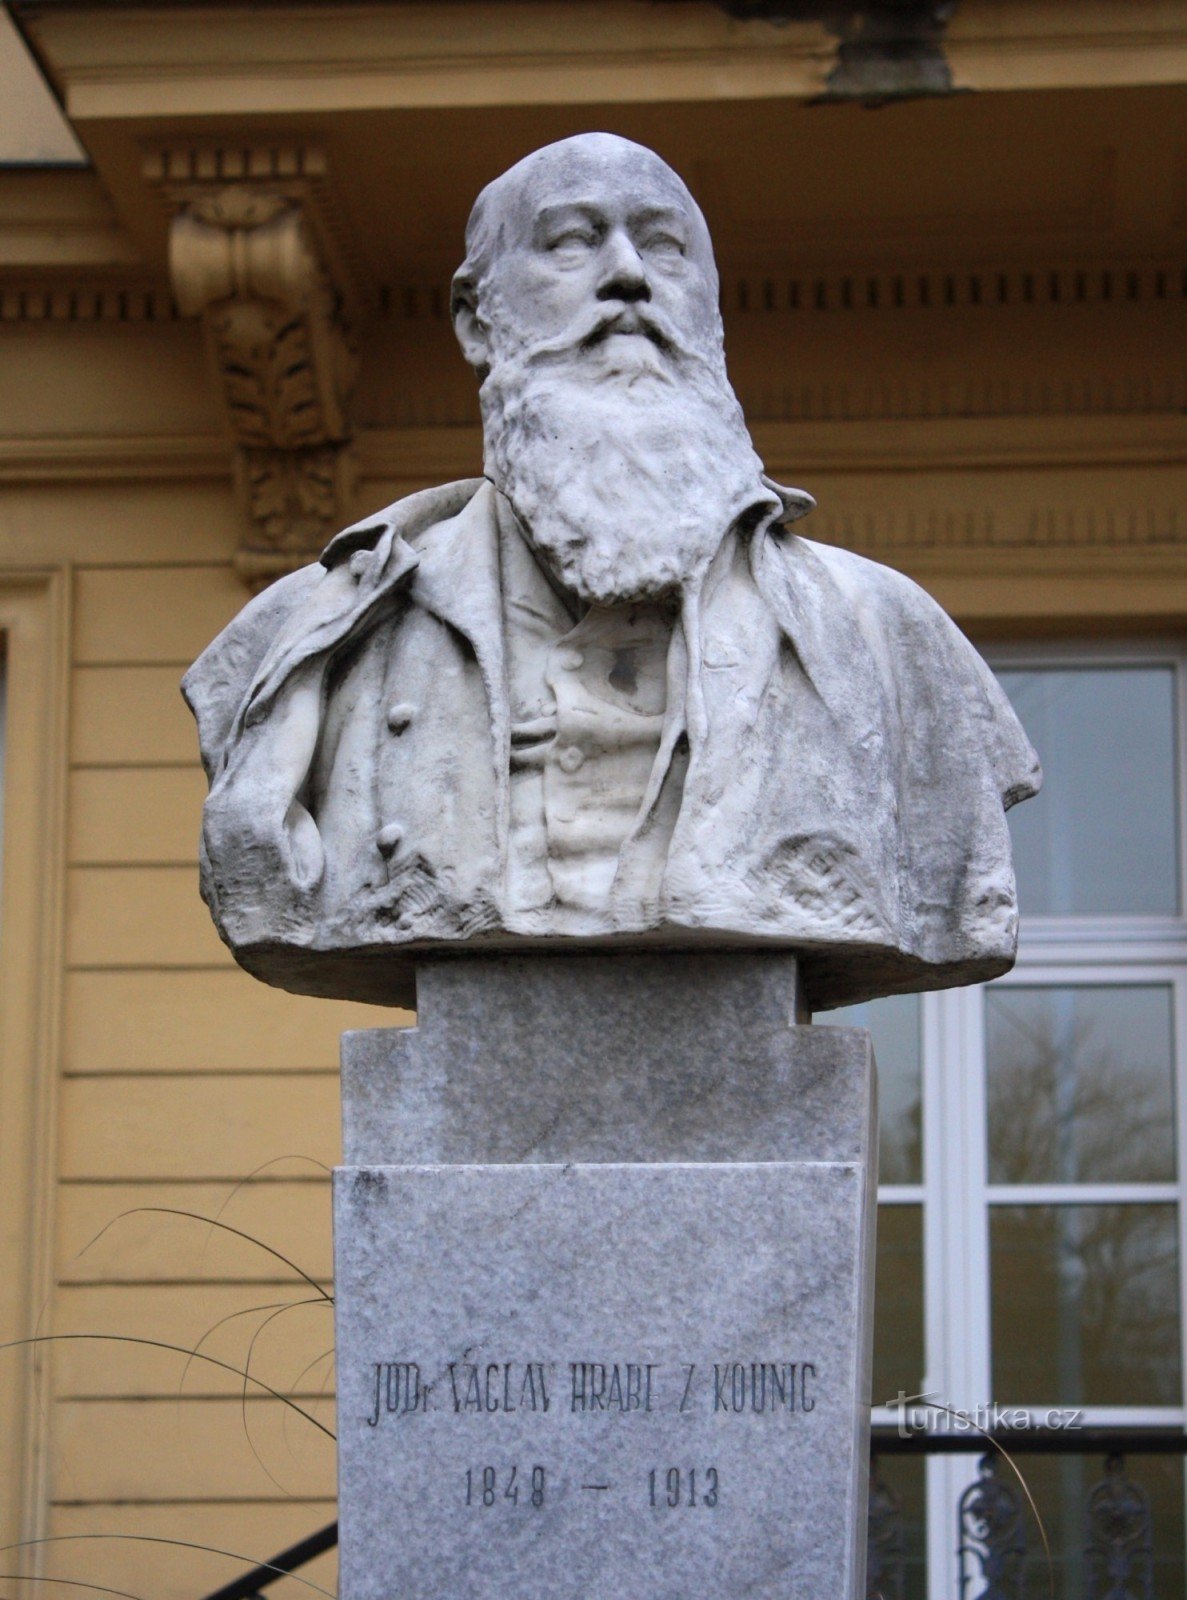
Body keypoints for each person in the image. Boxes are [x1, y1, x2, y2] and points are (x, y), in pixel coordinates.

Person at [183, 132, 1040, 1012]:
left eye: (665, 245)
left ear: (708, 310)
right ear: (477, 321)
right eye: (569, 242)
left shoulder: (884, 633)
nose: (628, 276)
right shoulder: (322, 634)